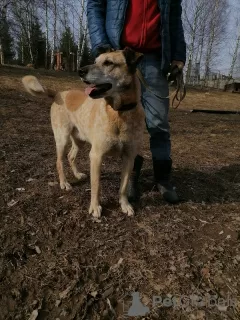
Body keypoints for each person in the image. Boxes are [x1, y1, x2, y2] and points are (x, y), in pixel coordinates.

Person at [87, 0, 186, 204]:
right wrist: (101, 45)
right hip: (118, 55)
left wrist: (178, 55)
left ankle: (163, 177)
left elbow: (174, 17)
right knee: (122, 118)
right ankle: (131, 175)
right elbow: (95, 4)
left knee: (158, 122)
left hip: (154, 59)